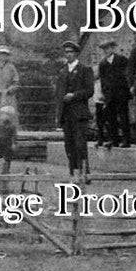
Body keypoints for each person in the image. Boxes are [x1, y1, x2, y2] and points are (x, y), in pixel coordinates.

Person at [54, 39, 93, 177]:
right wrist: (59, 115)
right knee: (69, 145)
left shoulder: (84, 70)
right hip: (67, 114)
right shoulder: (62, 71)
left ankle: (84, 173)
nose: (68, 54)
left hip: (79, 114)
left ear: (76, 53)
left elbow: (89, 91)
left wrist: (74, 95)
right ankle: (73, 173)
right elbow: (59, 94)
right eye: (66, 52)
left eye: (71, 52)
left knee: (80, 144)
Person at [95, 38, 131, 148]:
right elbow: (103, 80)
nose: (105, 51)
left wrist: (129, 88)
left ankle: (126, 140)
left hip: (121, 93)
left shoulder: (121, 60)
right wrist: (103, 93)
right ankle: (114, 140)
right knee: (111, 117)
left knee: (123, 116)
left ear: (112, 48)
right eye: (104, 49)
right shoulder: (103, 64)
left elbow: (128, 74)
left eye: (107, 48)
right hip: (109, 95)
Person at [0, 104, 19, 179]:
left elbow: (13, 136)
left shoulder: (12, 126)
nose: (1, 116)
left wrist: (13, 143)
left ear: (9, 116)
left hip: (8, 144)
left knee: (7, 158)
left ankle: (6, 170)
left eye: (3, 114)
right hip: (0, 144)